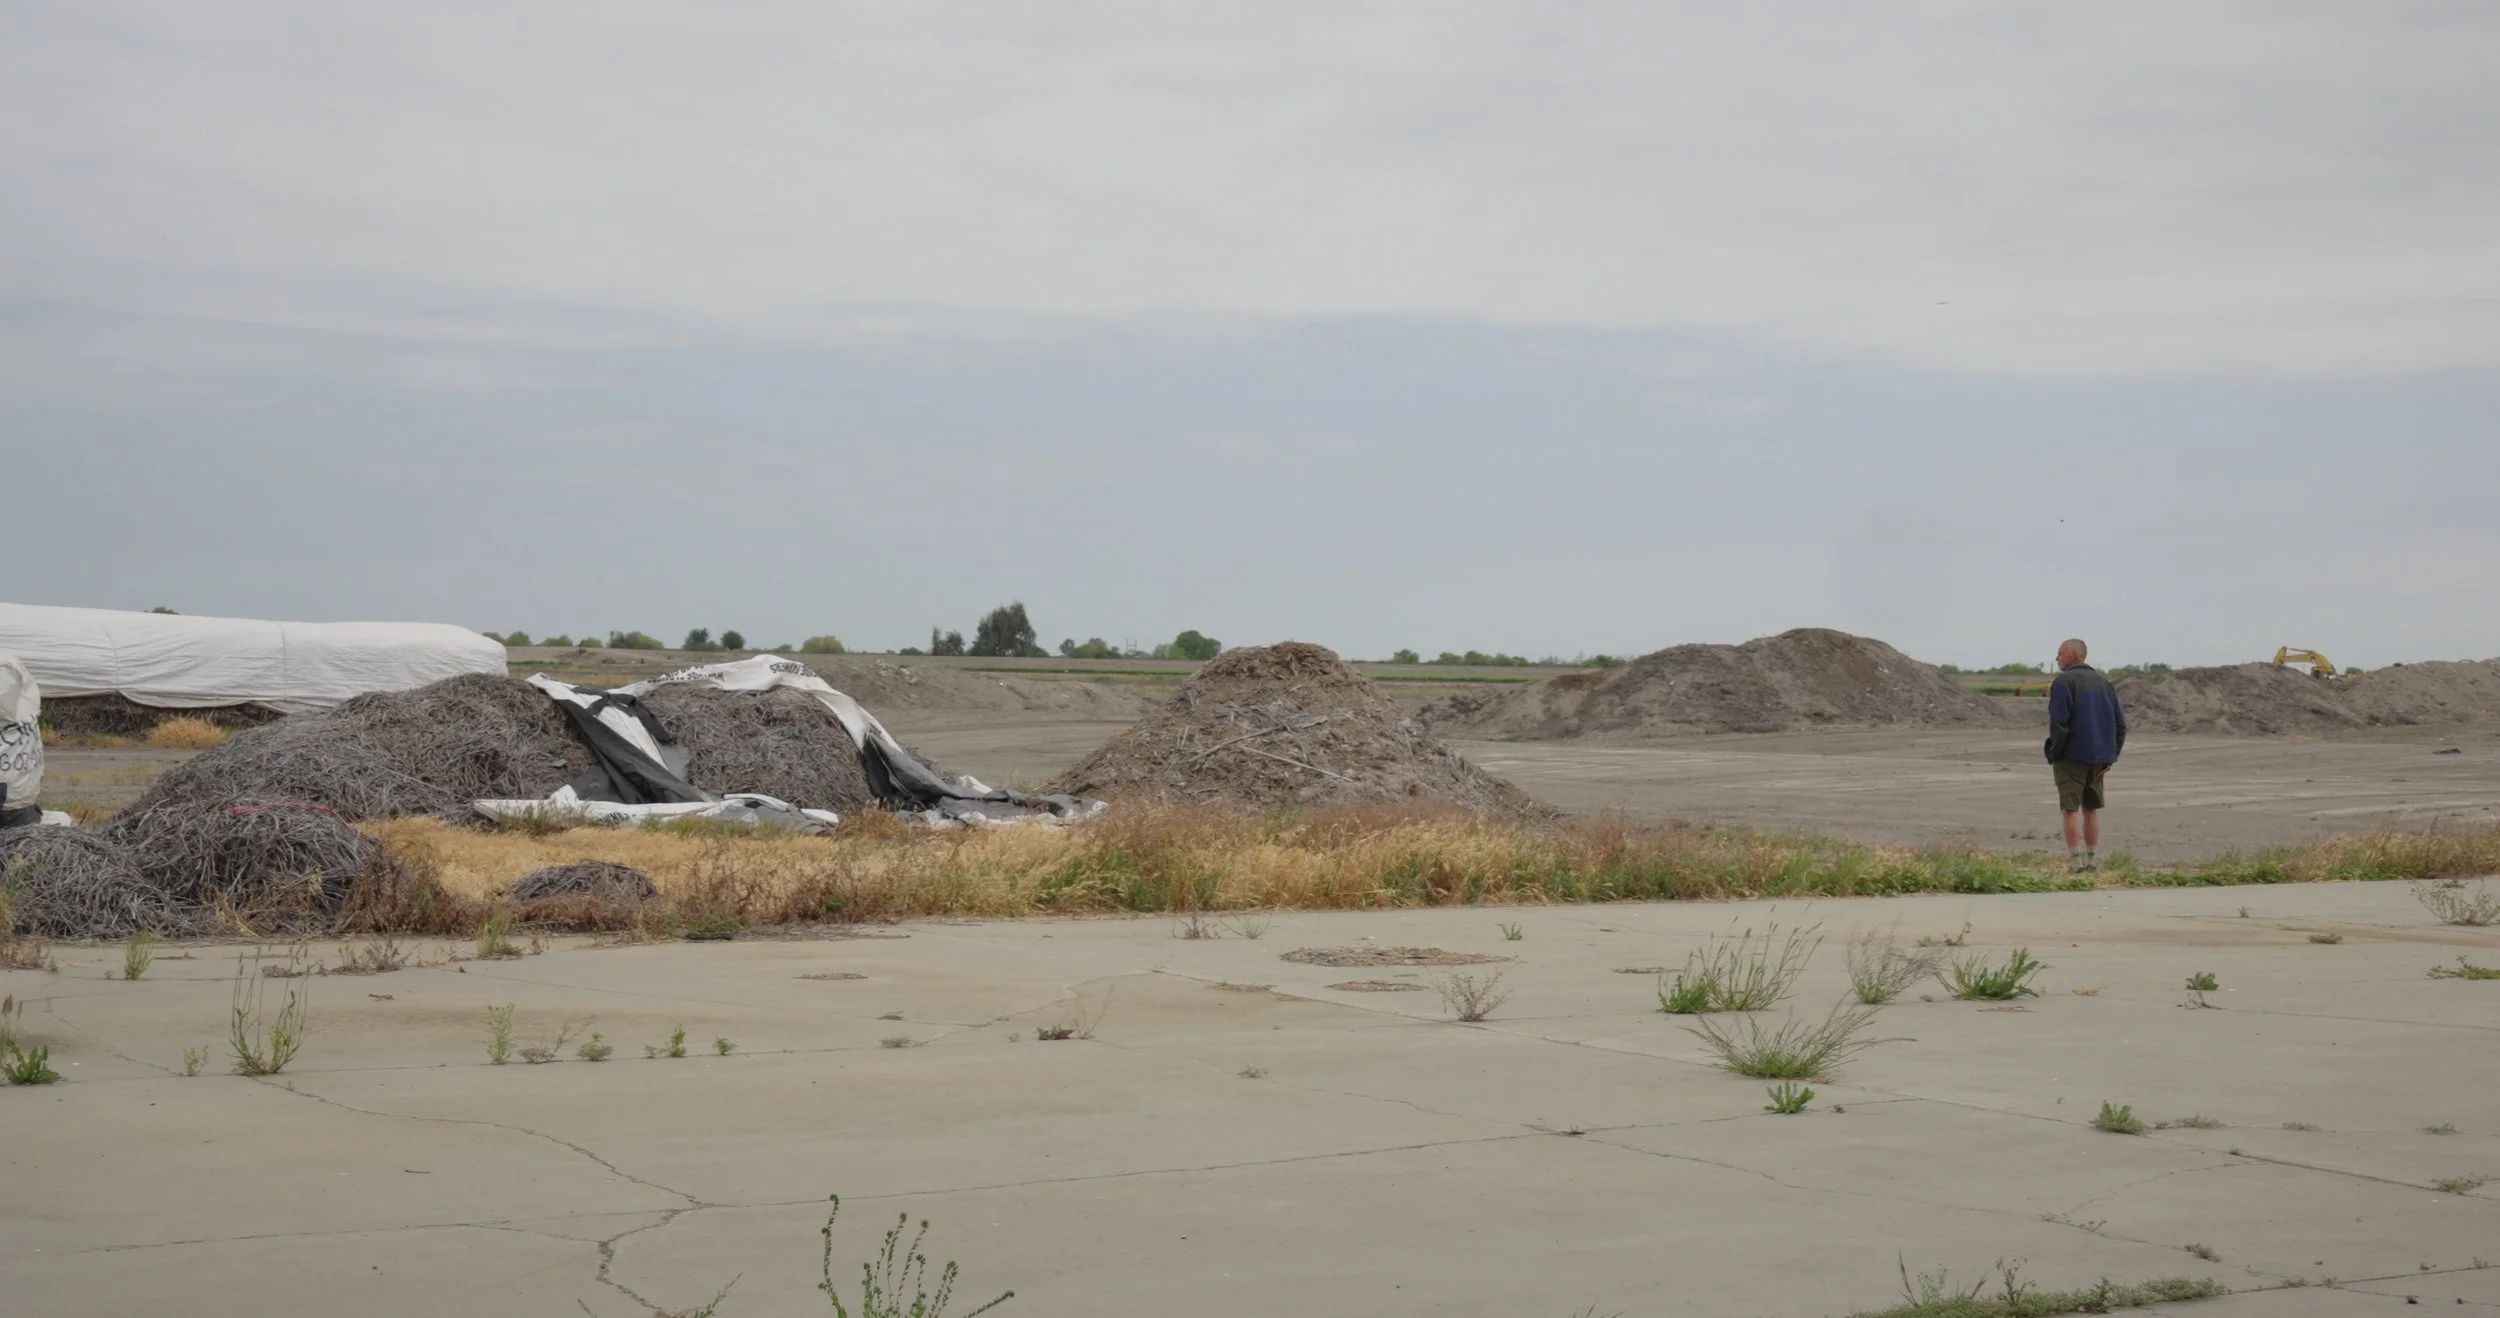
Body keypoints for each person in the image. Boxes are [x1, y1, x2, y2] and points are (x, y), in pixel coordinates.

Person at [2045, 637, 2125, 870]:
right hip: (2099, 758)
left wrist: (2055, 752)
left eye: (2060, 653)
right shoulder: (2104, 682)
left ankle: (2076, 863)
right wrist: (2112, 755)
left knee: (2070, 809)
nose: (2057, 657)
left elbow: (2059, 722)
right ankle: (2092, 860)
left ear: (2073, 655)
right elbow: (2120, 724)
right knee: (2091, 809)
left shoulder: (2064, 682)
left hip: (2071, 756)